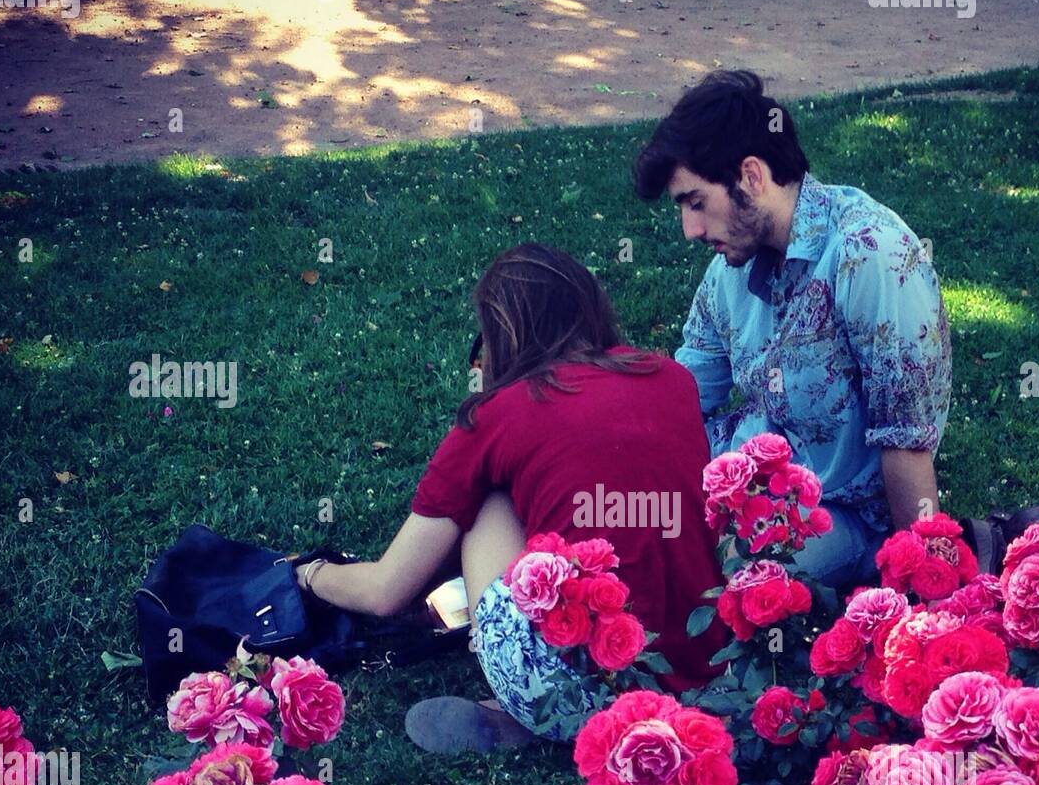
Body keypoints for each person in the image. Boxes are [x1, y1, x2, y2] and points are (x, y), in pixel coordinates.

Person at [299, 242, 728, 752]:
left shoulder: (502, 413)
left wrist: (309, 575)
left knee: (487, 494)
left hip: (578, 691)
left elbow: (384, 593)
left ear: (500, 335)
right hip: (708, 672)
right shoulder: (673, 380)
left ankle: (532, 711)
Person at [634, 69, 953, 589]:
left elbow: (906, 444)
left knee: (727, 574)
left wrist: (922, 593)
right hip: (744, 479)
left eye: (696, 203)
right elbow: (684, 401)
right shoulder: (729, 272)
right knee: (633, 519)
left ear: (752, 176)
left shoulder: (870, 257)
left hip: (841, 513)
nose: (690, 231)